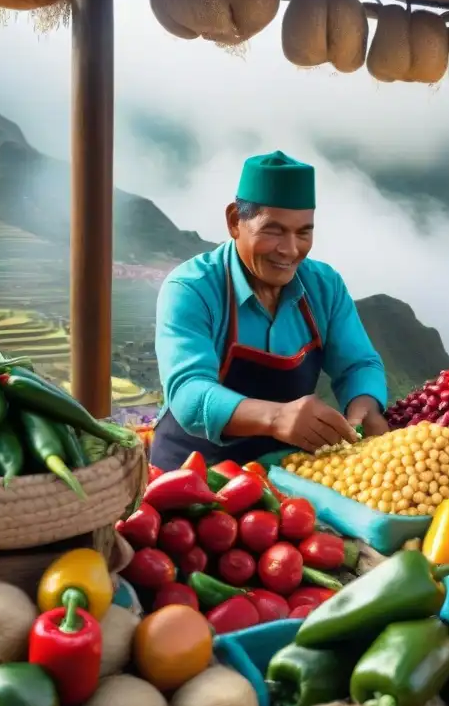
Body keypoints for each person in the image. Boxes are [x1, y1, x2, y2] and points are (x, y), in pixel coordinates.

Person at [151, 150, 389, 471]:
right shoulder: (191, 288)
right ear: (236, 221)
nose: (290, 250)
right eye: (274, 230)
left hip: (282, 473)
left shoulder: (324, 286)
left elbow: (359, 365)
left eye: (303, 232)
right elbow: (189, 395)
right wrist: (276, 417)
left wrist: (365, 409)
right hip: (191, 475)